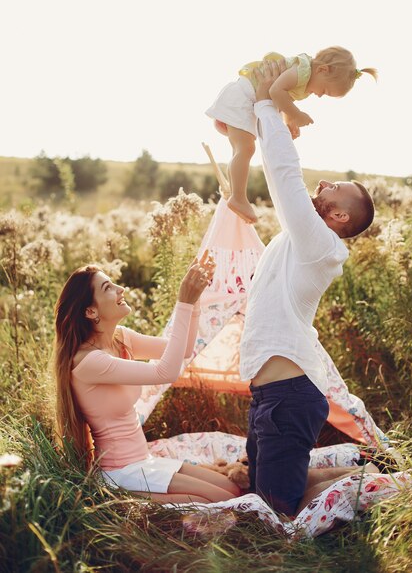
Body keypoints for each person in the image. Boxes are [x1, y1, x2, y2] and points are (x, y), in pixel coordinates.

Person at [239, 60, 376, 518]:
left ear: (339, 218)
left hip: (287, 398)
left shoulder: (321, 245)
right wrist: (256, 120)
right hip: (270, 398)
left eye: (333, 188)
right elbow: (276, 176)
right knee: (265, 493)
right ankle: (371, 475)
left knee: (271, 513)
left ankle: (378, 484)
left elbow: (284, 177)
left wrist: (266, 101)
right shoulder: (295, 240)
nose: (323, 184)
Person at [53, 252, 241, 504]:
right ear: (90, 311)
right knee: (219, 500)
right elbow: (166, 372)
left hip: (144, 461)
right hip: (121, 474)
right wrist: (182, 303)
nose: (121, 289)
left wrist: (194, 301)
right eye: (108, 287)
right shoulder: (88, 362)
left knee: (232, 489)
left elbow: (184, 349)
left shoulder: (120, 338)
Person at [206, 47, 377, 224]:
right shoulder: (302, 71)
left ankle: (235, 194)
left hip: (246, 101)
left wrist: (289, 121)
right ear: (322, 69)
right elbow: (275, 91)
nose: (319, 96)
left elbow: (283, 97)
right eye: (325, 90)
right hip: (242, 97)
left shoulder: (303, 79)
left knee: (241, 150)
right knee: (245, 149)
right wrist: (296, 114)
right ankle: (238, 197)